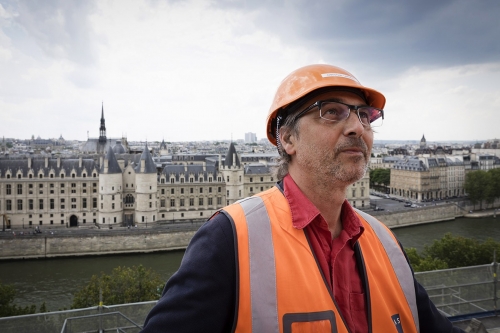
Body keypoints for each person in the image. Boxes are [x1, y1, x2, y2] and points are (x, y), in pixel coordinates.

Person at [141, 64, 464, 332]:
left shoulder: (385, 241)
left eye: (364, 115)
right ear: (288, 139)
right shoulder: (230, 236)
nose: (357, 127)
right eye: (331, 112)